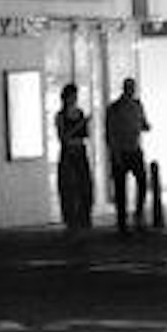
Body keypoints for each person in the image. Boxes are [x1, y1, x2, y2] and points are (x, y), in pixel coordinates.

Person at [104, 76, 154, 234]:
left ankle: (137, 215)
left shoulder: (137, 105)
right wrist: (115, 153)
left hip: (134, 149)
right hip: (121, 151)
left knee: (142, 181)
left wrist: (144, 125)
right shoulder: (115, 108)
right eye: (130, 88)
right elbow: (110, 133)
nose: (132, 91)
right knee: (121, 188)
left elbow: (144, 123)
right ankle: (122, 222)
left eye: (133, 88)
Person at [53, 81, 96, 232]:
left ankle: (85, 217)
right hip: (69, 152)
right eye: (72, 96)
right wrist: (80, 124)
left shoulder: (80, 112)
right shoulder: (60, 116)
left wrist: (85, 125)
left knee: (85, 185)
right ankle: (71, 218)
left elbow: (86, 135)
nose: (74, 99)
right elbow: (63, 137)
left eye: (75, 96)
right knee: (69, 186)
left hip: (80, 149)